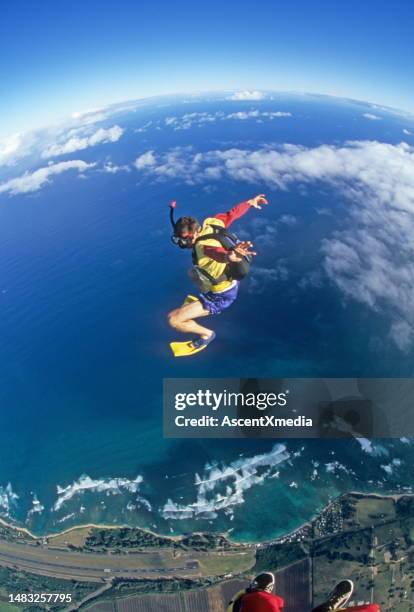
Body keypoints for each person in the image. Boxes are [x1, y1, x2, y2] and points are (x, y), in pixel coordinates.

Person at [168, 194, 269, 356]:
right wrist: (250, 202)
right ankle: (201, 301)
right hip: (225, 283)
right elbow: (233, 213)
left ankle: (207, 336)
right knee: (193, 272)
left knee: (174, 320)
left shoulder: (204, 247)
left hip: (221, 296)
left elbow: (217, 253)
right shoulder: (212, 223)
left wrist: (230, 256)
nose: (182, 243)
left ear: (193, 235)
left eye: (183, 240)